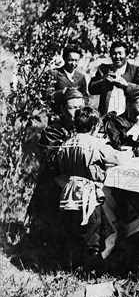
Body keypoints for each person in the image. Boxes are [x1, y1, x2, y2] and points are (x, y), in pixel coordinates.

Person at [53, 107, 121, 269]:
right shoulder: (97, 144)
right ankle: (90, 268)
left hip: (69, 192)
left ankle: (71, 264)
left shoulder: (66, 143)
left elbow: (58, 164)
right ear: (95, 126)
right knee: (92, 229)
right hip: (88, 193)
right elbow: (116, 158)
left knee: (73, 227)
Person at [26, 88, 85, 240]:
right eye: (73, 108)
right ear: (63, 110)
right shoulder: (53, 131)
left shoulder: (88, 129)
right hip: (55, 182)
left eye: (81, 108)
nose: (78, 112)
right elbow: (51, 161)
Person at [88, 40, 139, 116]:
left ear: (127, 55)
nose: (117, 57)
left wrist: (126, 85)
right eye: (114, 54)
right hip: (107, 117)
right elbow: (91, 89)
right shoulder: (104, 69)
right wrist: (104, 81)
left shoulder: (136, 71)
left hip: (128, 118)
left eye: (120, 53)